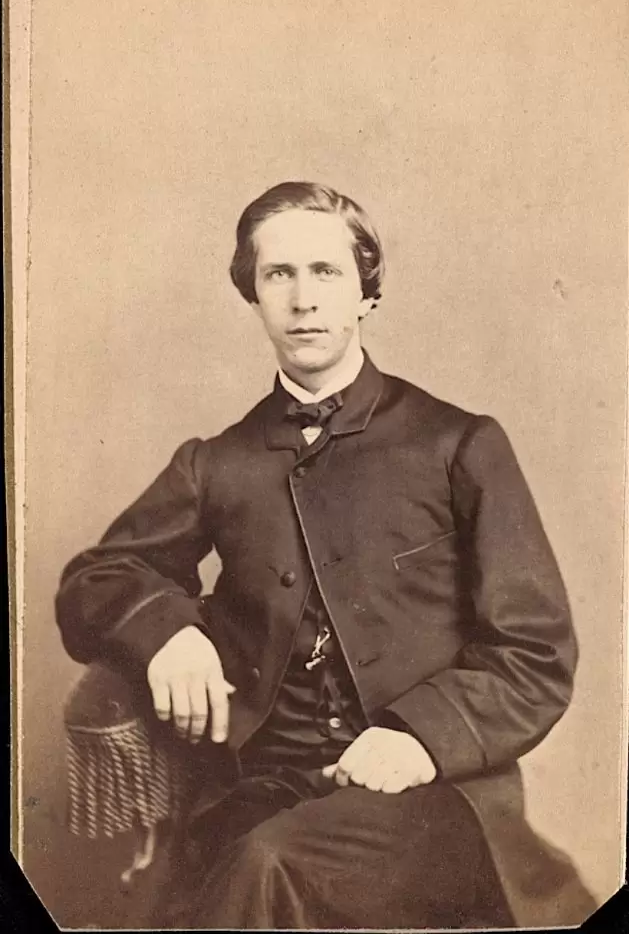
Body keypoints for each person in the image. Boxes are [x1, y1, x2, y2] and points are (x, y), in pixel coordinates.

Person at [56, 181, 595, 929]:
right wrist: (167, 634)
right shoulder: (217, 461)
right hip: (267, 788)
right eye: (279, 274)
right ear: (252, 294)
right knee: (223, 867)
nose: (303, 299)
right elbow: (96, 578)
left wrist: (418, 738)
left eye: (325, 272)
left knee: (266, 865)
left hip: (430, 795)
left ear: (365, 293)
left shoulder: (457, 443)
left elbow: (535, 653)